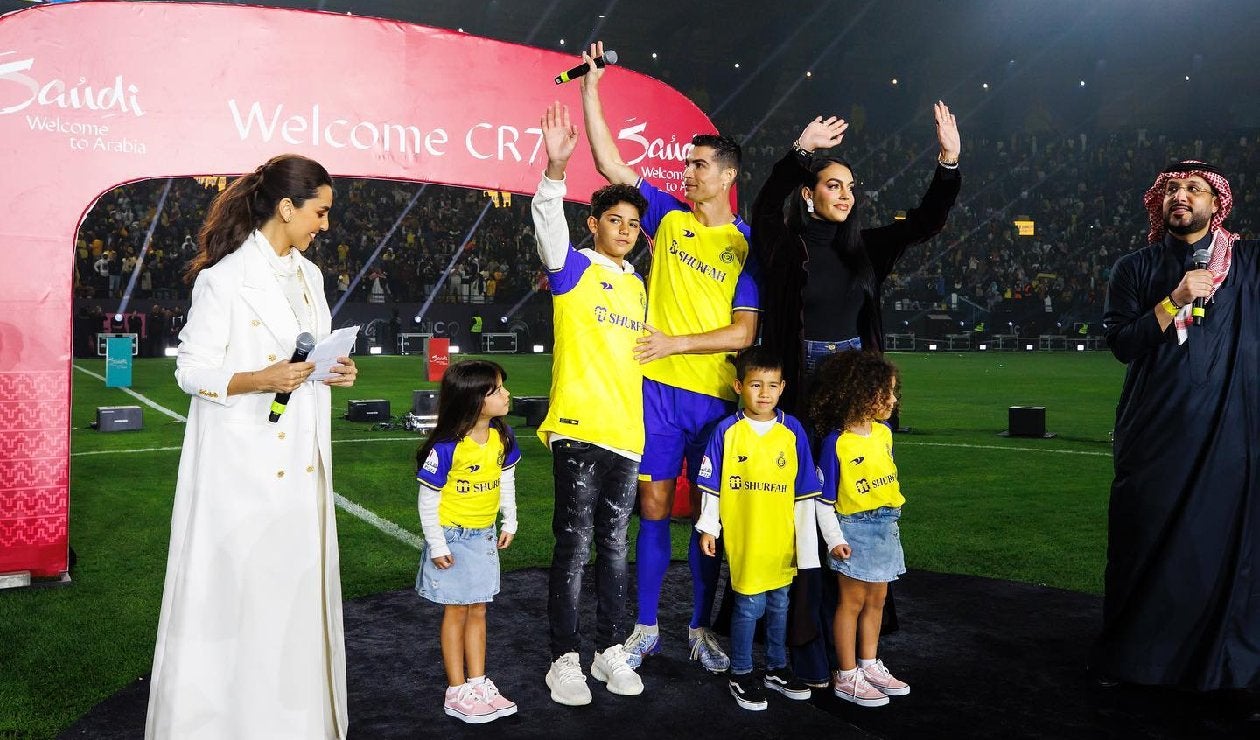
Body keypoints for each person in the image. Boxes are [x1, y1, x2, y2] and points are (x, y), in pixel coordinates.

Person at [146, 154, 357, 739]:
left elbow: (305, 352)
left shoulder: (310, 275)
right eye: (320, 211)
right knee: (244, 601)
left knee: (292, 602)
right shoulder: (224, 278)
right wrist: (258, 379)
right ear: (287, 208)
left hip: (304, 462)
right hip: (244, 470)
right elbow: (191, 370)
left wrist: (332, 369)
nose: (325, 224)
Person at [751, 106, 960, 685]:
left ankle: (859, 653)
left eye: (850, 187)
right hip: (801, 382)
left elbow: (925, 222)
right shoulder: (785, 244)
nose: (844, 194)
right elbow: (764, 206)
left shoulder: (865, 247)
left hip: (851, 388)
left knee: (855, 506)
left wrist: (948, 161)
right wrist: (801, 151)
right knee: (802, 508)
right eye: (832, 184)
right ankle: (802, 641)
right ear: (811, 193)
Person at [579, 41, 759, 673]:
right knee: (651, 507)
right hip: (654, 391)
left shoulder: (745, 247)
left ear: (728, 175)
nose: (688, 172)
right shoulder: (669, 217)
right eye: (686, 163)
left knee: (711, 519)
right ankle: (648, 626)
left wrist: (677, 343)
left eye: (700, 166)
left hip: (712, 397)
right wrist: (591, 88)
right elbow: (609, 163)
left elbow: (742, 334)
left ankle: (700, 628)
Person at [1095, 160, 1260, 698]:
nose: (1180, 196)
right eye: (1170, 189)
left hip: (1229, 434)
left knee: (1221, 548)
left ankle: (1230, 670)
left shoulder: (1248, 264)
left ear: (1218, 203)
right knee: (1143, 538)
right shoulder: (1134, 267)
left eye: (1194, 188)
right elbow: (1122, 344)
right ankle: (1137, 664)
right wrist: (1175, 300)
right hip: (1155, 431)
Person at [531, 101, 649, 705]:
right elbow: (545, 215)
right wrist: (557, 167)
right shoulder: (572, 269)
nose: (626, 230)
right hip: (580, 431)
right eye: (616, 219)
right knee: (574, 546)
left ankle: (609, 651)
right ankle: (564, 659)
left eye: (634, 224)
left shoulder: (638, 285)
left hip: (628, 435)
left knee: (614, 548)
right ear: (596, 223)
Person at [694, 347, 831, 711]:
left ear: (783, 387)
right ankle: (740, 672)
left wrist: (806, 544)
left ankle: (776, 668)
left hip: (781, 540)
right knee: (749, 605)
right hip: (746, 539)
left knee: (779, 604)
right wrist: (709, 528)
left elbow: (804, 492)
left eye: (772, 385)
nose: (764, 393)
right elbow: (711, 489)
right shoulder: (726, 431)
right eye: (756, 384)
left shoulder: (793, 431)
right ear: (740, 386)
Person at [415, 359, 520, 724]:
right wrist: (438, 545)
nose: (507, 394)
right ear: (473, 399)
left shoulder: (502, 437)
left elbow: (505, 481)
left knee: (479, 609)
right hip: (454, 539)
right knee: (456, 610)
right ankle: (456, 690)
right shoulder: (446, 447)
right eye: (497, 390)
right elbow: (428, 500)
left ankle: (478, 681)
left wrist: (511, 520)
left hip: (484, 536)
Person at [809, 351, 911, 708]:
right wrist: (834, 539)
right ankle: (847, 673)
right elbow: (823, 501)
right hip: (853, 529)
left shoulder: (884, 434)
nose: (894, 400)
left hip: (886, 526)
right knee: (851, 603)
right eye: (886, 392)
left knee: (878, 600)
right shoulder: (836, 442)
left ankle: (869, 664)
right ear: (860, 392)